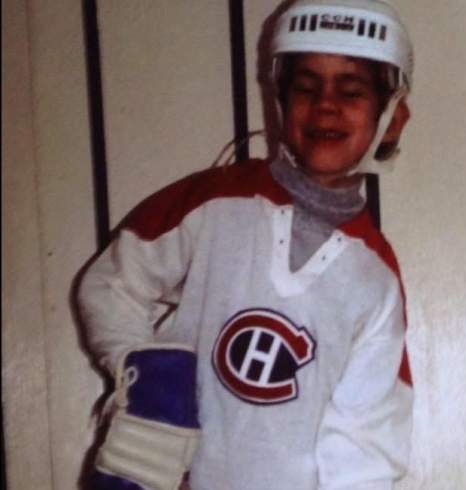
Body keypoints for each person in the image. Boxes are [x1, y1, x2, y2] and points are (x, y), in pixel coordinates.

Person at [78, 1, 414, 489]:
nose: (325, 105)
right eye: (306, 88)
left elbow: (368, 439)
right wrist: (144, 373)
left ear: (393, 118)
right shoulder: (214, 203)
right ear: (279, 101)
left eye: (351, 91)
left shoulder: (375, 277)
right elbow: (112, 282)